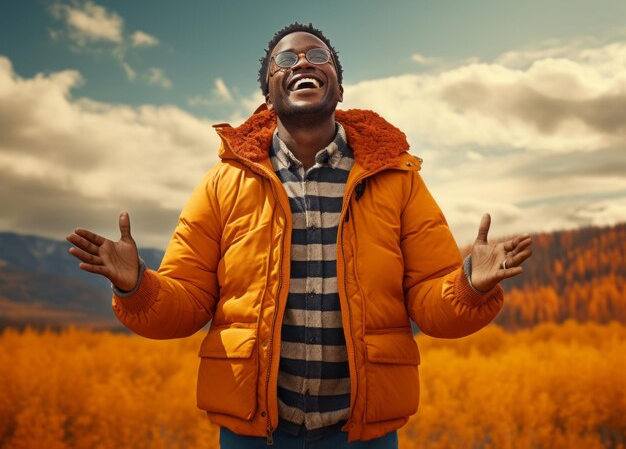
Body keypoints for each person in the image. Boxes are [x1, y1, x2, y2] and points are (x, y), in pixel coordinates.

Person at [67, 22, 532, 448]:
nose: (303, 63)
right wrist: (136, 286)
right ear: (268, 95)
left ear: (339, 87)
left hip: (361, 434)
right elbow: (185, 305)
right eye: (285, 62)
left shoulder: (399, 180)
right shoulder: (222, 184)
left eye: (318, 56)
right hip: (254, 432)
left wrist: (470, 284)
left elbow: (432, 308)